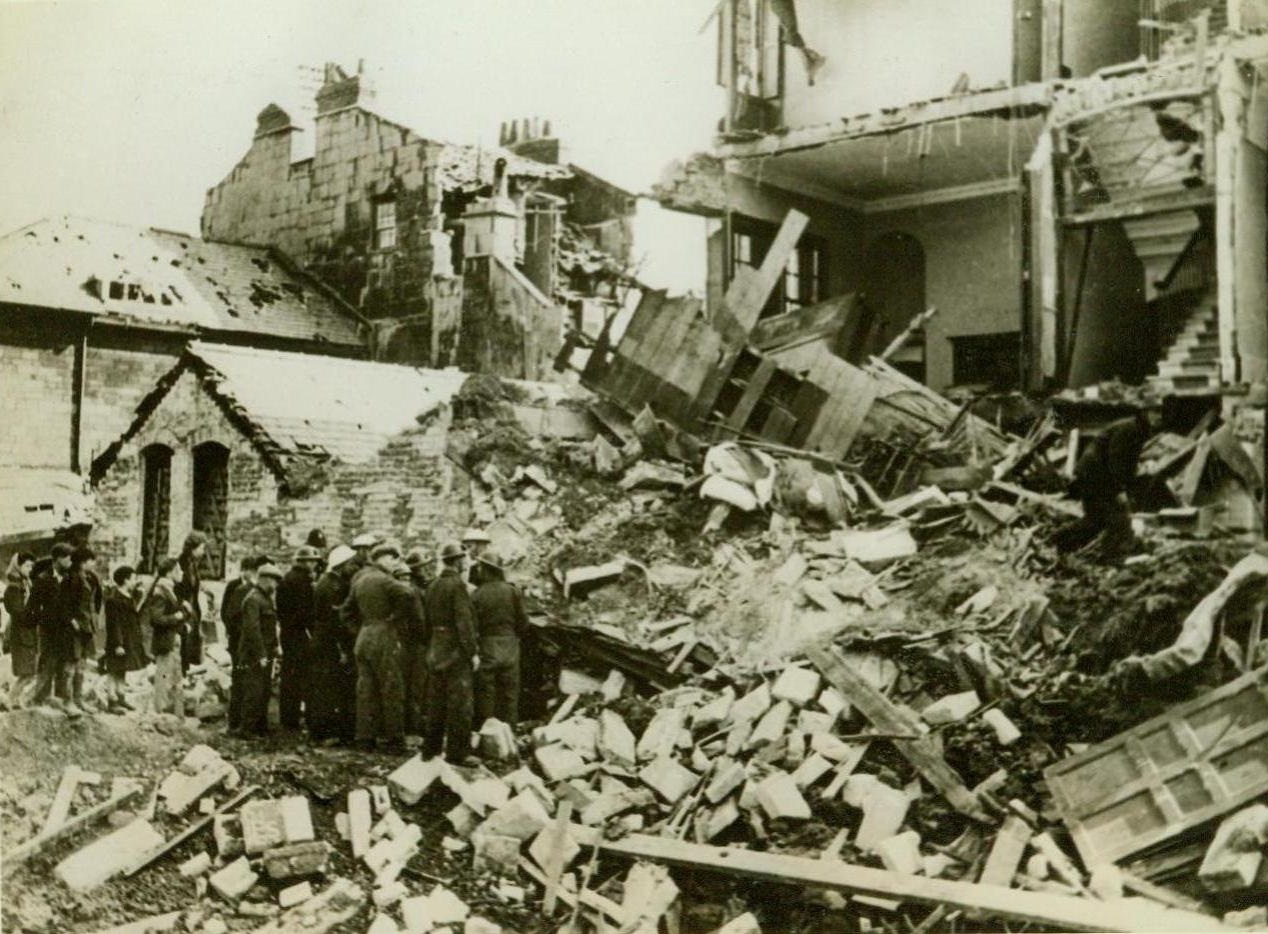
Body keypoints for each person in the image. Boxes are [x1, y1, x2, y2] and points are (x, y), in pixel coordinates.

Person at [1053, 406, 1161, 558]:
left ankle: (1059, 542)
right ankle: (1111, 557)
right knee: (1116, 520)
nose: (1159, 417)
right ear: (1144, 412)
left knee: (1096, 519)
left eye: (1161, 413)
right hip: (1095, 474)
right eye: (1155, 412)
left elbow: (1128, 461)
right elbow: (1116, 461)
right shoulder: (1129, 428)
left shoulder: (1139, 429)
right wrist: (1120, 490)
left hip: (1098, 474)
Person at [345, 542, 415, 753]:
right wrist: (394, 617)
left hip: (364, 637)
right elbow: (409, 595)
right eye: (392, 558)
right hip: (383, 635)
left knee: (365, 690)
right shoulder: (384, 580)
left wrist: (360, 629)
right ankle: (395, 740)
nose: (394, 562)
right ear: (382, 559)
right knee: (391, 687)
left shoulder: (359, 579)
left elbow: (346, 611)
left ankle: (364, 739)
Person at [422, 542, 479, 765]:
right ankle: (457, 753)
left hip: (436, 648)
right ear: (457, 561)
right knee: (460, 703)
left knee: (436, 701)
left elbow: (427, 621)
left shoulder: (433, 585)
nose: (465, 563)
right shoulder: (457, 586)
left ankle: (430, 749)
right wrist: (472, 652)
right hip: (455, 650)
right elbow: (464, 622)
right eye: (463, 559)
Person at [471, 550, 528, 729]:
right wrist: (513, 636)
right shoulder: (513, 592)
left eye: (480, 566)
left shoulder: (477, 594)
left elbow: (472, 625)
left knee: (486, 692)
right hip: (510, 646)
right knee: (510, 693)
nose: (478, 569)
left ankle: (488, 736)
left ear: (486, 569)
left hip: (487, 645)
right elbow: (524, 622)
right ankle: (509, 733)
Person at [309, 545, 358, 746]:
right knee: (327, 688)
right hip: (329, 642)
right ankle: (323, 733)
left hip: (325, 640)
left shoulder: (328, 582)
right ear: (341, 565)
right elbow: (335, 620)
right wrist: (342, 649)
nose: (352, 567)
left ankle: (323, 731)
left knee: (326, 687)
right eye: (349, 564)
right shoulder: (332, 586)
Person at [28, 543, 81, 716]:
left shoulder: (71, 579)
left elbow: (74, 604)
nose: (70, 562)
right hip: (49, 630)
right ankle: (38, 700)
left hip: (66, 630)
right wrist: (40, 621)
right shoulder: (43, 579)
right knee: (47, 663)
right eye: (67, 558)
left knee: (66, 666)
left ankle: (66, 701)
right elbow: (33, 606)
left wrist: (73, 619)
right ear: (57, 558)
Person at [276, 544, 320, 730]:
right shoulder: (304, 582)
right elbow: (307, 613)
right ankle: (296, 719)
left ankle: (288, 717)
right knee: (303, 677)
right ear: (305, 562)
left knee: (289, 675)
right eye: (312, 561)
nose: (314, 565)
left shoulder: (286, 579)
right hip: (300, 635)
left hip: (288, 633)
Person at [235, 562, 282, 736]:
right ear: (265, 579)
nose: (275, 585)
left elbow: (270, 627)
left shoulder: (264, 599)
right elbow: (252, 630)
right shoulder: (253, 599)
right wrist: (262, 654)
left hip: (266, 652)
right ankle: (247, 730)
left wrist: (275, 647)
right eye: (274, 581)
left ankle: (260, 727)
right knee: (253, 691)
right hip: (253, 654)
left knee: (264, 689)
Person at [143, 557, 192, 717]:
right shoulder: (161, 591)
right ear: (170, 572)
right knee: (163, 676)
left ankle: (175, 713)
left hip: (172, 640)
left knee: (175, 676)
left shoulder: (169, 589)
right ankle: (160, 712)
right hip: (165, 641)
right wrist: (177, 617)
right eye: (179, 569)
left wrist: (185, 614)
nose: (182, 572)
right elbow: (156, 619)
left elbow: (173, 615)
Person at [104, 565, 146, 712]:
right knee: (113, 669)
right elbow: (114, 624)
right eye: (133, 578)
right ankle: (112, 700)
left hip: (128, 640)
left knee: (122, 669)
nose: (135, 581)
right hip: (118, 641)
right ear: (125, 580)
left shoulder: (129, 597)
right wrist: (118, 644)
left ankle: (120, 696)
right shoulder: (114, 600)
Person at [66, 546, 102, 711]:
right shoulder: (72, 578)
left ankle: (78, 699)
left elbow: (96, 601)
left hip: (87, 626)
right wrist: (72, 620)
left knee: (82, 663)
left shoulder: (91, 578)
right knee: (71, 664)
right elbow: (65, 603)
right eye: (90, 561)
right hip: (75, 628)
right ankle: (68, 701)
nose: (93, 563)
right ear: (82, 562)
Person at [402, 549, 431, 738]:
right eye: (421, 568)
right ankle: (414, 727)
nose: (425, 571)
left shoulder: (411, 587)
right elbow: (420, 620)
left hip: (410, 643)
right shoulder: (414, 590)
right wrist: (427, 639)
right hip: (416, 644)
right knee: (416, 686)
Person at [4, 552, 37, 708]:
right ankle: (10, 699)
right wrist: (35, 614)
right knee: (26, 671)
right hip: (20, 633)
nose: (30, 569)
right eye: (27, 566)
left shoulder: (26, 584)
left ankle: (15, 700)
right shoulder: (13, 588)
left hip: (28, 632)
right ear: (18, 566)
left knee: (30, 671)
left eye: (31, 566)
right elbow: (18, 612)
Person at [176, 532, 208, 670]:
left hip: (192, 605)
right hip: (183, 606)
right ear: (192, 548)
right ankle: (181, 671)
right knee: (184, 638)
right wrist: (182, 601)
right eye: (201, 548)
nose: (203, 551)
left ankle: (186, 670)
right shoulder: (181, 563)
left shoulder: (193, 563)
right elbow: (176, 586)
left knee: (192, 639)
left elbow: (193, 583)